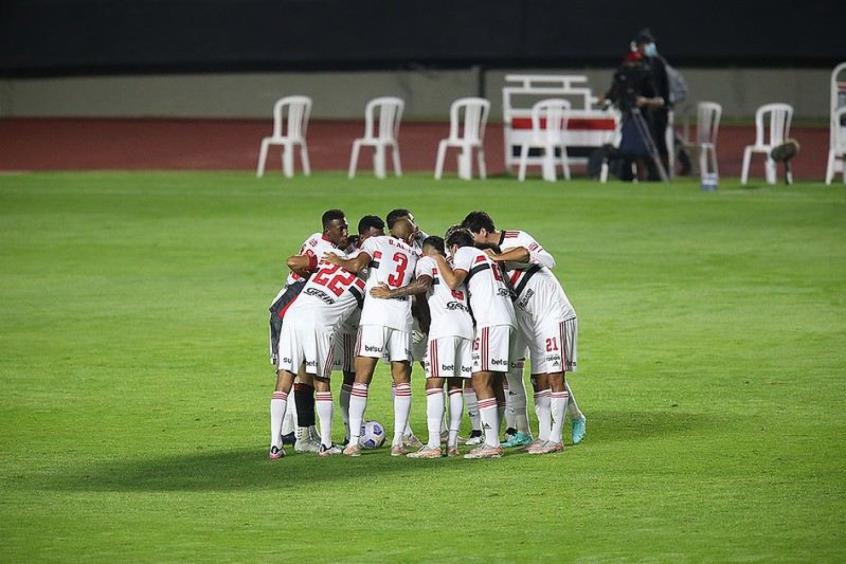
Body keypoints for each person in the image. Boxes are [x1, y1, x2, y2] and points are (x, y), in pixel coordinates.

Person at [461, 211, 586, 446]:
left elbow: (538, 257)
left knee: (554, 375)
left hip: (552, 313)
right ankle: (540, 435)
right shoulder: (481, 259)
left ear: (482, 233)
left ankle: (561, 433)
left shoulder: (514, 239)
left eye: (472, 238)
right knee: (537, 378)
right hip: (526, 319)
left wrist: (498, 259)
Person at [323, 218, 420, 457]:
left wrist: (339, 260)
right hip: (402, 319)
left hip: (376, 315)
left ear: (391, 232)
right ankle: (398, 441)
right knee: (401, 381)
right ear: (408, 237)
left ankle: (354, 441)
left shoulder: (376, 241)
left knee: (362, 379)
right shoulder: (414, 254)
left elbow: (357, 265)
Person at [371, 235, 474, 458]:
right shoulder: (456, 265)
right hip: (466, 326)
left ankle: (434, 445)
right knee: (456, 386)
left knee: (434, 384)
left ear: (427, 250)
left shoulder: (428, 260)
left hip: (444, 327)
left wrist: (391, 293)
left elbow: (423, 284)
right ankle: (453, 444)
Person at [268, 249, 365, 459]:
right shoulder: (361, 286)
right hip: (318, 323)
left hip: (292, 317)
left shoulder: (325, 267)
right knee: (322, 382)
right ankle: (326, 444)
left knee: (284, 379)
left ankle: (275, 444)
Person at [267, 209, 349, 452]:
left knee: (299, 375)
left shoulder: (317, 239)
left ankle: (302, 434)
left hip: (293, 309)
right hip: (290, 309)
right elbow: (293, 261)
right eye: (341, 229)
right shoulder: (327, 252)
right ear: (328, 230)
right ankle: (294, 433)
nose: (345, 232)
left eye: (347, 228)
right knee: (294, 374)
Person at [433, 229, 520, 459]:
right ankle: (492, 440)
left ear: (453, 247)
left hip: (491, 322)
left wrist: (438, 259)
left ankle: (491, 444)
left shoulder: (464, 252)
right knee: (495, 380)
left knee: (480, 379)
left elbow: (453, 281)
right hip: (508, 320)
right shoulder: (486, 258)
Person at [335, 215, 385, 445]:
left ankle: (352, 430)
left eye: (381, 236)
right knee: (346, 375)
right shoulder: (351, 250)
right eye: (374, 236)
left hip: (367, 321)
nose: (378, 241)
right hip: (347, 321)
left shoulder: (384, 250)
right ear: (363, 236)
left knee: (355, 376)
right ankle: (348, 431)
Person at [385, 209, 429, 449]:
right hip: (406, 318)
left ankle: (438, 430)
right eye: (412, 222)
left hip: (415, 317)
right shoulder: (400, 249)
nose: (416, 225)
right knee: (404, 372)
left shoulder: (420, 241)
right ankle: (405, 432)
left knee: (428, 369)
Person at [603, 49, 666, 181]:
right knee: (626, 149)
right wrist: (607, 98)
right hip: (627, 117)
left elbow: (659, 101)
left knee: (645, 150)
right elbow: (615, 92)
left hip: (643, 119)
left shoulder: (646, 76)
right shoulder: (621, 75)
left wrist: (645, 101)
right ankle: (625, 174)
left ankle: (652, 176)